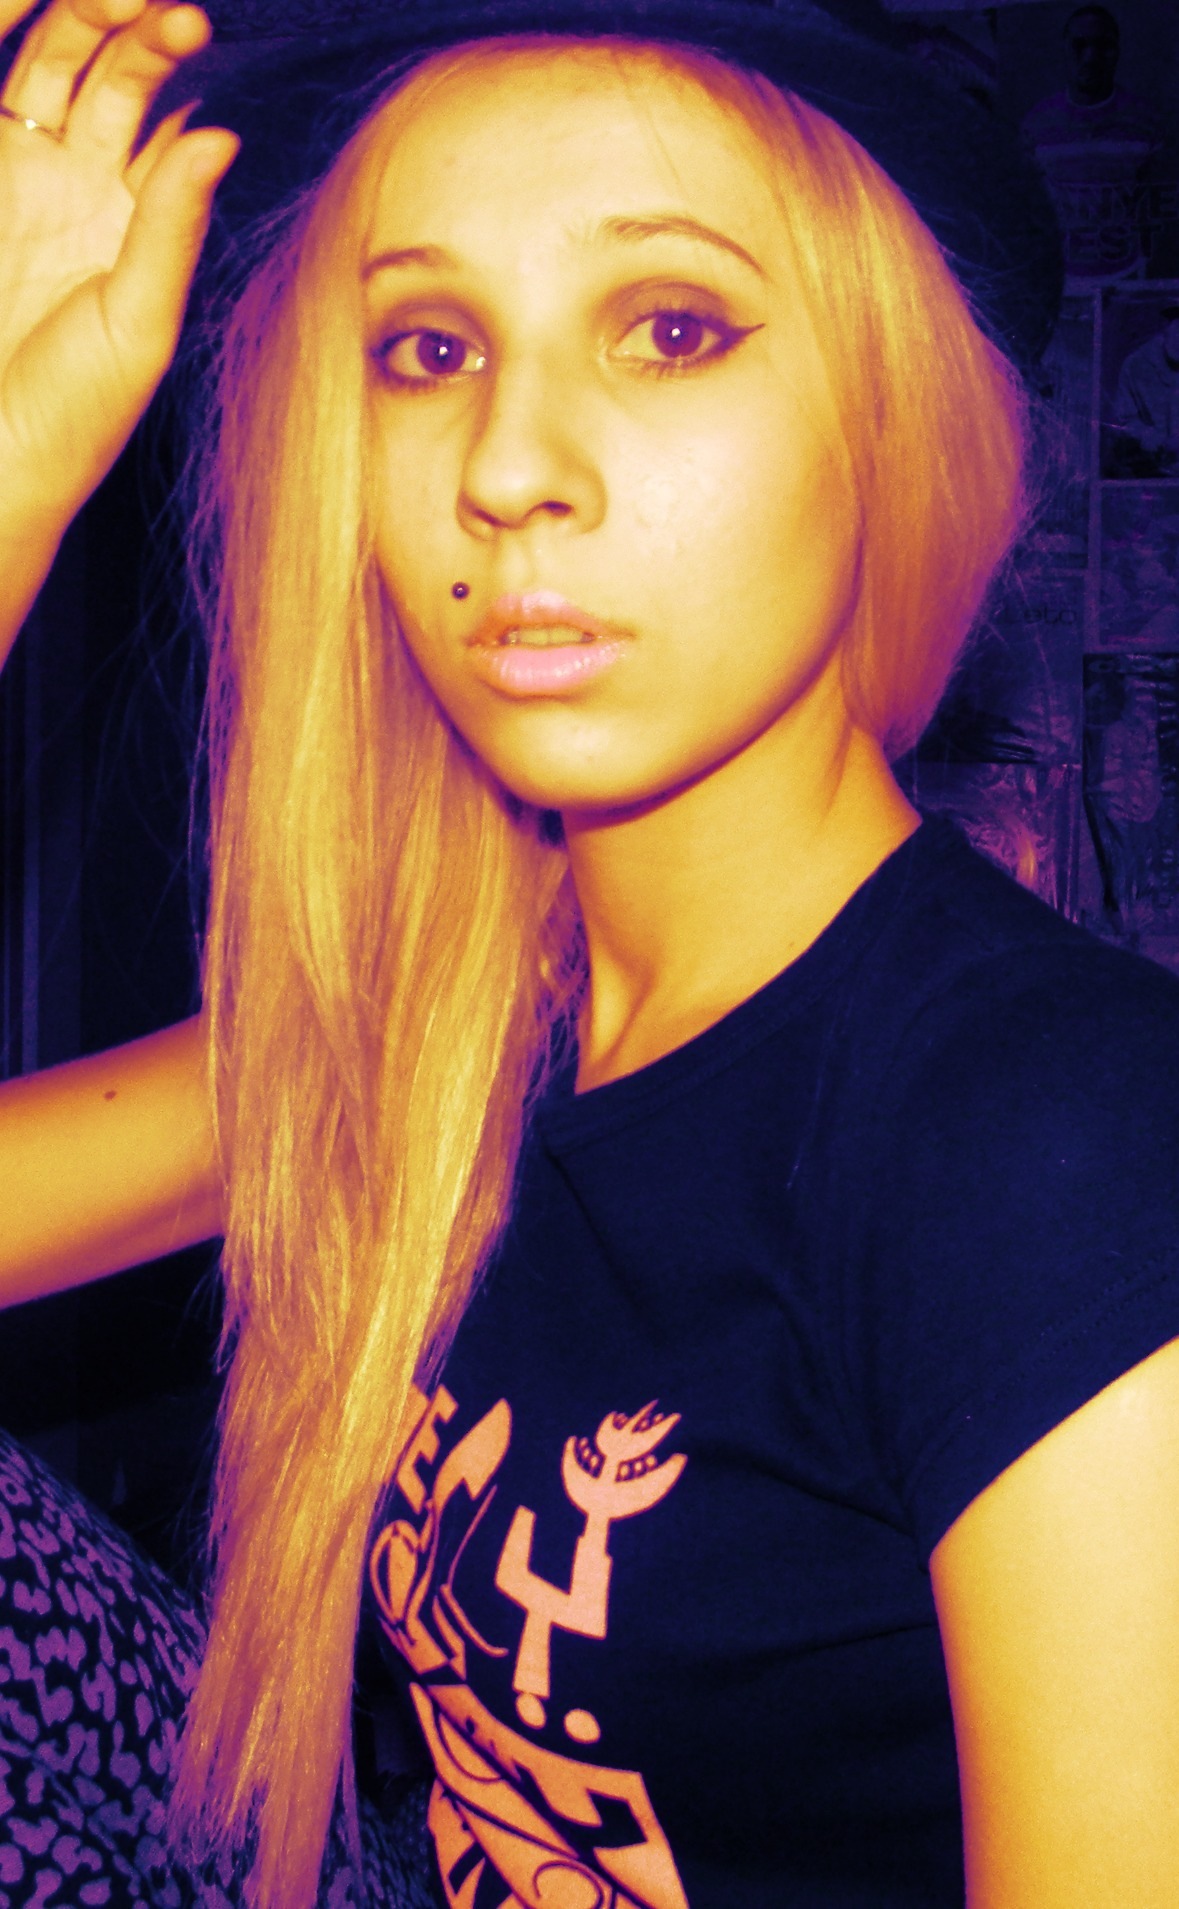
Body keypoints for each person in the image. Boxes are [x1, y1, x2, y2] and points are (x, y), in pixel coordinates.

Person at [1, 1, 1179, 1906]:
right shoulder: (443, 1028)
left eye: (669, 327)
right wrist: (11, 466)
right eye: (428, 347)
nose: (505, 463)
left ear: (886, 415)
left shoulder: (1053, 1139)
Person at [1021, 4, 1165, 279]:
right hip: (1061, 278)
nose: (1090, 57)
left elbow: (1155, 203)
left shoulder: (1145, 120)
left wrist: (1145, 261)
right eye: (1079, 45)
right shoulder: (1037, 124)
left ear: (1117, 52)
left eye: (1103, 46)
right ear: (1065, 50)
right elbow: (1028, 207)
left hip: (1127, 273)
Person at [1111, 301, 1179, 475]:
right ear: (1166, 326)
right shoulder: (1136, 366)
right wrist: (1150, 438)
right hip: (1150, 474)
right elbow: (1123, 420)